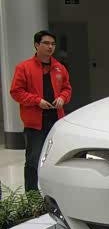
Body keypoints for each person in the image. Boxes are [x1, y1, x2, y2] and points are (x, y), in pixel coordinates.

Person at [10, 30, 72, 191]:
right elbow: (16, 91)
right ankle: (32, 197)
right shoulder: (24, 68)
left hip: (56, 121)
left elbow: (67, 88)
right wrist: (37, 101)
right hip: (35, 123)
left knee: (55, 159)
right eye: (46, 43)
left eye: (53, 44)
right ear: (36, 45)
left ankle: (53, 193)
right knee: (33, 160)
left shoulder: (59, 68)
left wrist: (62, 98)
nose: (50, 47)